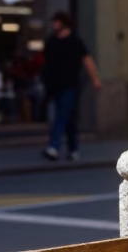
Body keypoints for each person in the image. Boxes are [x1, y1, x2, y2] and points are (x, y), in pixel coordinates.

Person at [41, 11, 100, 160]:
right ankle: (73, 149)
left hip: (70, 85)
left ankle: (53, 147)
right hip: (54, 85)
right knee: (68, 118)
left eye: (57, 22)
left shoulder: (75, 42)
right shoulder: (51, 41)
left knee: (61, 116)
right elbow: (45, 63)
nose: (54, 25)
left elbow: (87, 60)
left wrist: (95, 79)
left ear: (63, 23)